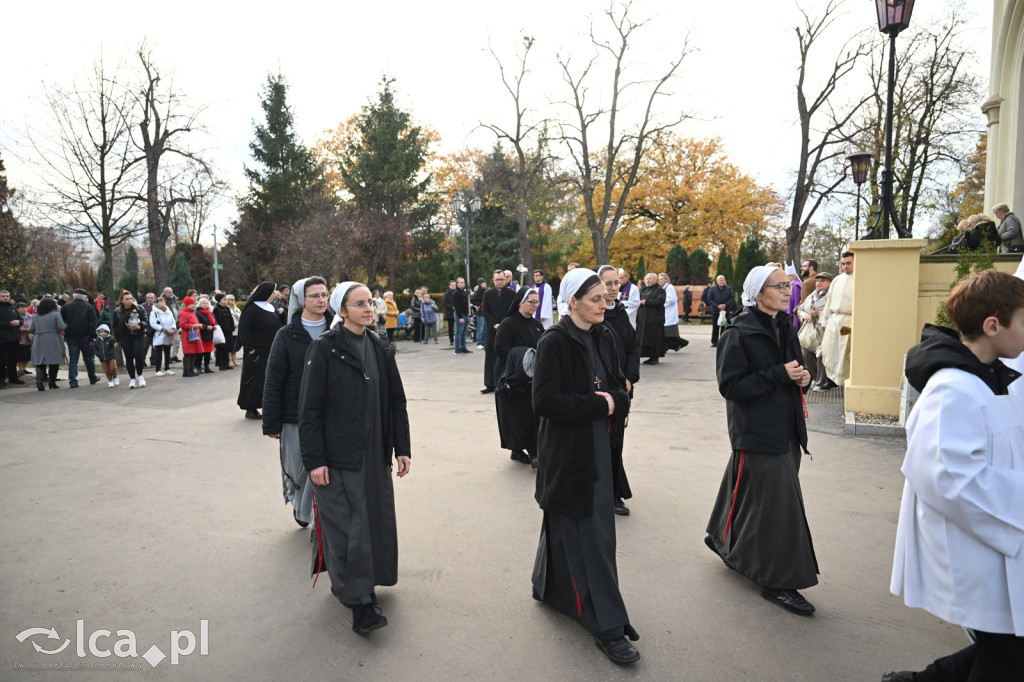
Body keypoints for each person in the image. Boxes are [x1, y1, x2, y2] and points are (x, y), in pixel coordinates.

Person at [883, 269, 1024, 682]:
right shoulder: (954, 388)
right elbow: (949, 477)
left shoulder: (992, 379)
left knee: (1006, 649)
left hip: (996, 540)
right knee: (1007, 655)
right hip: (977, 548)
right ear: (993, 326)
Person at [531, 267, 640, 665]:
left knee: (579, 528)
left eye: (606, 296)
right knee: (590, 538)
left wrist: (614, 398)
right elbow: (544, 402)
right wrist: (602, 403)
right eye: (595, 298)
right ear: (572, 301)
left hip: (601, 446)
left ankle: (549, 587)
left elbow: (621, 386)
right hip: (569, 451)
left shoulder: (605, 335)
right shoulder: (554, 341)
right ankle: (608, 626)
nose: (604, 303)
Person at [704, 265, 818, 617]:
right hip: (756, 431)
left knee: (754, 495)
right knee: (779, 510)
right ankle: (778, 581)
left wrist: (803, 379)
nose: (787, 291)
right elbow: (732, 387)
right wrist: (778, 374)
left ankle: (725, 542)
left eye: (789, 285)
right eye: (779, 286)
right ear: (757, 292)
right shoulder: (738, 333)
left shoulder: (785, 325)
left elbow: (795, 369)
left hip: (787, 428)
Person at [298, 282, 412, 636]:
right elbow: (309, 410)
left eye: (370, 303)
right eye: (359, 304)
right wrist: (315, 460)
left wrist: (402, 447)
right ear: (342, 310)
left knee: (374, 522)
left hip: (374, 453)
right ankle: (360, 602)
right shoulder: (324, 348)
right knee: (350, 528)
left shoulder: (380, 346)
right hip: (337, 457)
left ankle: (366, 583)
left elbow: (396, 401)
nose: (369, 309)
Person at [264, 277, 333, 530]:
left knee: (328, 468)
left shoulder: (337, 329)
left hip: (332, 414)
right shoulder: (286, 335)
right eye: (314, 295)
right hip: (294, 416)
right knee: (299, 468)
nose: (321, 299)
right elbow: (273, 380)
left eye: (324, 294)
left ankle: (322, 519)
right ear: (300, 299)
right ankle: (301, 507)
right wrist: (272, 421)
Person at [598, 265, 640, 517]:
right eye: (608, 283)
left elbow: (633, 347)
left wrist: (630, 377)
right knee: (604, 443)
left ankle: (614, 492)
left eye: (617, 283)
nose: (614, 288)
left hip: (622, 390)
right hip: (603, 390)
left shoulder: (620, 312)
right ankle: (607, 493)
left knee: (616, 443)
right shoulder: (596, 314)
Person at [494, 286, 543, 467]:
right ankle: (523, 450)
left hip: (531, 378)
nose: (535, 305)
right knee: (516, 416)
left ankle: (534, 451)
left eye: (537, 302)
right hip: (512, 378)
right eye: (532, 302)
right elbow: (500, 349)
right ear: (520, 302)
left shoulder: (537, 325)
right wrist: (525, 355)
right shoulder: (508, 323)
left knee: (532, 416)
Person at [237, 282, 283, 420]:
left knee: (267, 379)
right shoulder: (252, 309)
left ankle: (264, 404)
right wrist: (250, 348)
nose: (274, 295)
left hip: (271, 349)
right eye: (272, 292)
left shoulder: (271, 307)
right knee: (255, 379)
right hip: (257, 351)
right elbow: (244, 329)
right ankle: (250, 407)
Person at [820, 252, 854, 386]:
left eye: (848, 263)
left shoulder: (861, 278)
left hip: (849, 321)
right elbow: (829, 301)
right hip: (834, 320)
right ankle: (831, 379)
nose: (845, 267)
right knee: (830, 349)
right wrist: (825, 321)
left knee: (844, 352)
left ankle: (845, 381)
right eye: (843, 264)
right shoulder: (837, 279)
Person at [797, 272, 832, 391]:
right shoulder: (812, 295)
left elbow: (835, 313)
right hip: (811, 331)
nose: (819, 283)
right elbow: (800, 309)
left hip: (825, 331)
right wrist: (805, 315)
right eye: (817, 281)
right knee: (805, 353)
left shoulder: (832, 295)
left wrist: (819, 314)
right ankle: (815, 377)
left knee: (821, 354)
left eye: (823, 281)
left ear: (830, 283)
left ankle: (821, 382)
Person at [480, 269, 513, 393]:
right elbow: (485, 311)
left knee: (504, 355)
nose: (499, 282)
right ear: (493, 281)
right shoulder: (488, 294)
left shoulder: (511, 294)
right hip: (492, 329)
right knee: (490, 354)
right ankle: (489, 384)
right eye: (497, 280)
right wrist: (494, 324)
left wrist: (503, 324)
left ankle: (503, 382)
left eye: (501, 279)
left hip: (505, 329)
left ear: (505, 280)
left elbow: (512, 311)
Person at [60, 288, 99, 388]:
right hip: (86, 336)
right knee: (88, 358)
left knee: (73, 359)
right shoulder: (89, 308)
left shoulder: (65, 307)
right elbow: (92, 324)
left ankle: (73, 381)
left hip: (71, 336)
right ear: (84, 297)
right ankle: (92, 377)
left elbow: (62, 322)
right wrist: (94, 336)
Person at [112, 290, 151, 389]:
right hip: (125, 336)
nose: (130, 301)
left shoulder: (140, 309)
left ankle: (140, 375)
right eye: (127, 299)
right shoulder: (117, 312)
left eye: (131, 299)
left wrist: (140, 326)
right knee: (129, 358)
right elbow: (114, 327)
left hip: (138, 335)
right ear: (121, 301)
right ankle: (132, 379)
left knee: (139, 355)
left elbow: (146, 321)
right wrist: (116, 340)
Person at [636, 273, 665, 365]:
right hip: (642, 319)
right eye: (646, 279)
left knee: (654, 339)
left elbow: (660, 301)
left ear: (655, 280)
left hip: (654, 319)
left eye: (650, 279)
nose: (648, 280)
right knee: (644, 338)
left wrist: (646, 302)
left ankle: (655, 357)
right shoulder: (642, 289)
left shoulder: (659, 289)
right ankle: (648, 356)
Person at [0, 290, 25, 387]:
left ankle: (13, 377)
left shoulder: (12, 308)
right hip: (3, 339)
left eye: (7, 296)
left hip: (14, 338)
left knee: (13, 359)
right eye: (3, 296)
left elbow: (21, 319)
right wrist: (9, 323)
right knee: (2, 361)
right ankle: (1, 379)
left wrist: (19, 322)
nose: (5, 298)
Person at [659, 273, 688, 353]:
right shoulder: (665, 287)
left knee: (669, 334)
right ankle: (668, 347)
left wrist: (661, 304)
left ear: (666, 279)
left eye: (661, 279)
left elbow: (671, 300)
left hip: (669, 313)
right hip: (666, 313)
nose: (660, 281)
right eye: (659, 279)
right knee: (666, 333)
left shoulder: (670, 287)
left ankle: (681, 343)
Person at [177, 296, 205, 379]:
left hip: (194, 335)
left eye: (194, 303)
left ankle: (191, 369)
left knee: (193, 353)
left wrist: (198, 326)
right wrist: (194, 326)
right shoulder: (184, 312)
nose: (194, 305)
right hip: (187, 336)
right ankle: (186, 370)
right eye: (192, 304)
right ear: (187, 304)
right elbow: (182, 325)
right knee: (188, 353)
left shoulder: (192, 312)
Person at [148, 296, 177, 377]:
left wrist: (173, 329)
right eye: (160, 302)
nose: (162, 303)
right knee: (159, 352)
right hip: (160, 334)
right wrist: (163, 329)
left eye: (163, 301)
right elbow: (153, 324)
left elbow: (173, 321)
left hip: (169, 334)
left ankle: (167, 368)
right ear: (156, 304)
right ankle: (158, 369)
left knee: (167, 351)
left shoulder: (168, 311)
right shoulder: (154, 313)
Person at [707, 275, 737, 347]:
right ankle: (714, 342)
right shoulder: (712, 289)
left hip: (725, 310)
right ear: (717, 281)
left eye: (723, 280)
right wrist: (717, 305)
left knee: (724, 327)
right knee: (715, 327)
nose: (721, 281)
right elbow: (710, 298)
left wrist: (725, 305)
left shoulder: (728, 288)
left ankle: (723, 342)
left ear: (725, 281)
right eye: (720, 280)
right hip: (715, 311)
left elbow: (731, 298)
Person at [194, 296, 217, 374]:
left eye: (207, 303)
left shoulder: (210, 313)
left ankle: (207, 367)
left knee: (208, 352)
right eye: (203, 303)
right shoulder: (197, 313)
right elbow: (197, 323)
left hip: (209, 335)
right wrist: (206, 327)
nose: (205, 304)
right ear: (199, 304)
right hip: (202, 335)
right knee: (200, 353)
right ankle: (198, 367)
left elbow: (214, 321)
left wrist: (215, 326)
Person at [212, 294, 236, 370]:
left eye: (225, 299)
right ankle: (221, 364)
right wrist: (226, 328)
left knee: (227, 347)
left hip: (229, 331)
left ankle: (226, 363)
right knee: (221, 348)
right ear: (219, 300)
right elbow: (219, 321)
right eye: (223, 299)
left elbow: (231, 318)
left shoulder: (227, 308)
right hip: (222, 331)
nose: (225, 301)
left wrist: (232, 327)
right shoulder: (217, 309)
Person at [452, 278, 471, 355]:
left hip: (466, 314)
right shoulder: (457, 293)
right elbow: (457, 306)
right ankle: (457, 350)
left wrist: (470, 313)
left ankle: (463, 348)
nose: (463, 284)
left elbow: (466, 303)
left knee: (464, 332)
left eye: (463, 282)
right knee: (459, 332)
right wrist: (460, 317)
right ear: (457, 284)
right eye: (461, 283)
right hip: (460, 314)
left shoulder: (463, 292)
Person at [16, 301, 32, 378]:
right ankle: (20, 369)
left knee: (27, 355)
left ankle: (24, 368)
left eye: (25, 307)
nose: (24, 309)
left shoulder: (30, 316)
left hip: (29, 339)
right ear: (18, 309)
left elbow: (33, 325)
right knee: (20, 355)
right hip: (20, 339)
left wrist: (29, 329)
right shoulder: (15, 317)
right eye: (22, 308)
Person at [471, 278, 488, 349]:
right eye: (483, 283)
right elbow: (472, 299)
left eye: (485, 283)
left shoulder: (485, 291)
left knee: (484, 329)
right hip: (480, 313)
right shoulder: (478, 292)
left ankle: (483, 342)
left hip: (485, 312)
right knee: (480, 328)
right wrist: (479, 304)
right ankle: (479, 343)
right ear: (480, 284)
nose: (485, 284)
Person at [784, 263, 802, 327]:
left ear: (792, 276)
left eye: (787, 276)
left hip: (792, 308)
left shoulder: (796, 285)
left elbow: (796, 300)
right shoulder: (791, 284)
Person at [442, 281, 456, 345]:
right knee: (451, 327)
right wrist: (451, 307)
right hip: (450, 312)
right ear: (449, 286)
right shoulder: (447, 294)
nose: (454, 286)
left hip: (457, 311)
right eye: (452, 285)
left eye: (454, 285)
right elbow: (445, 303)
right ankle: (451, 340)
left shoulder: (457, 292)